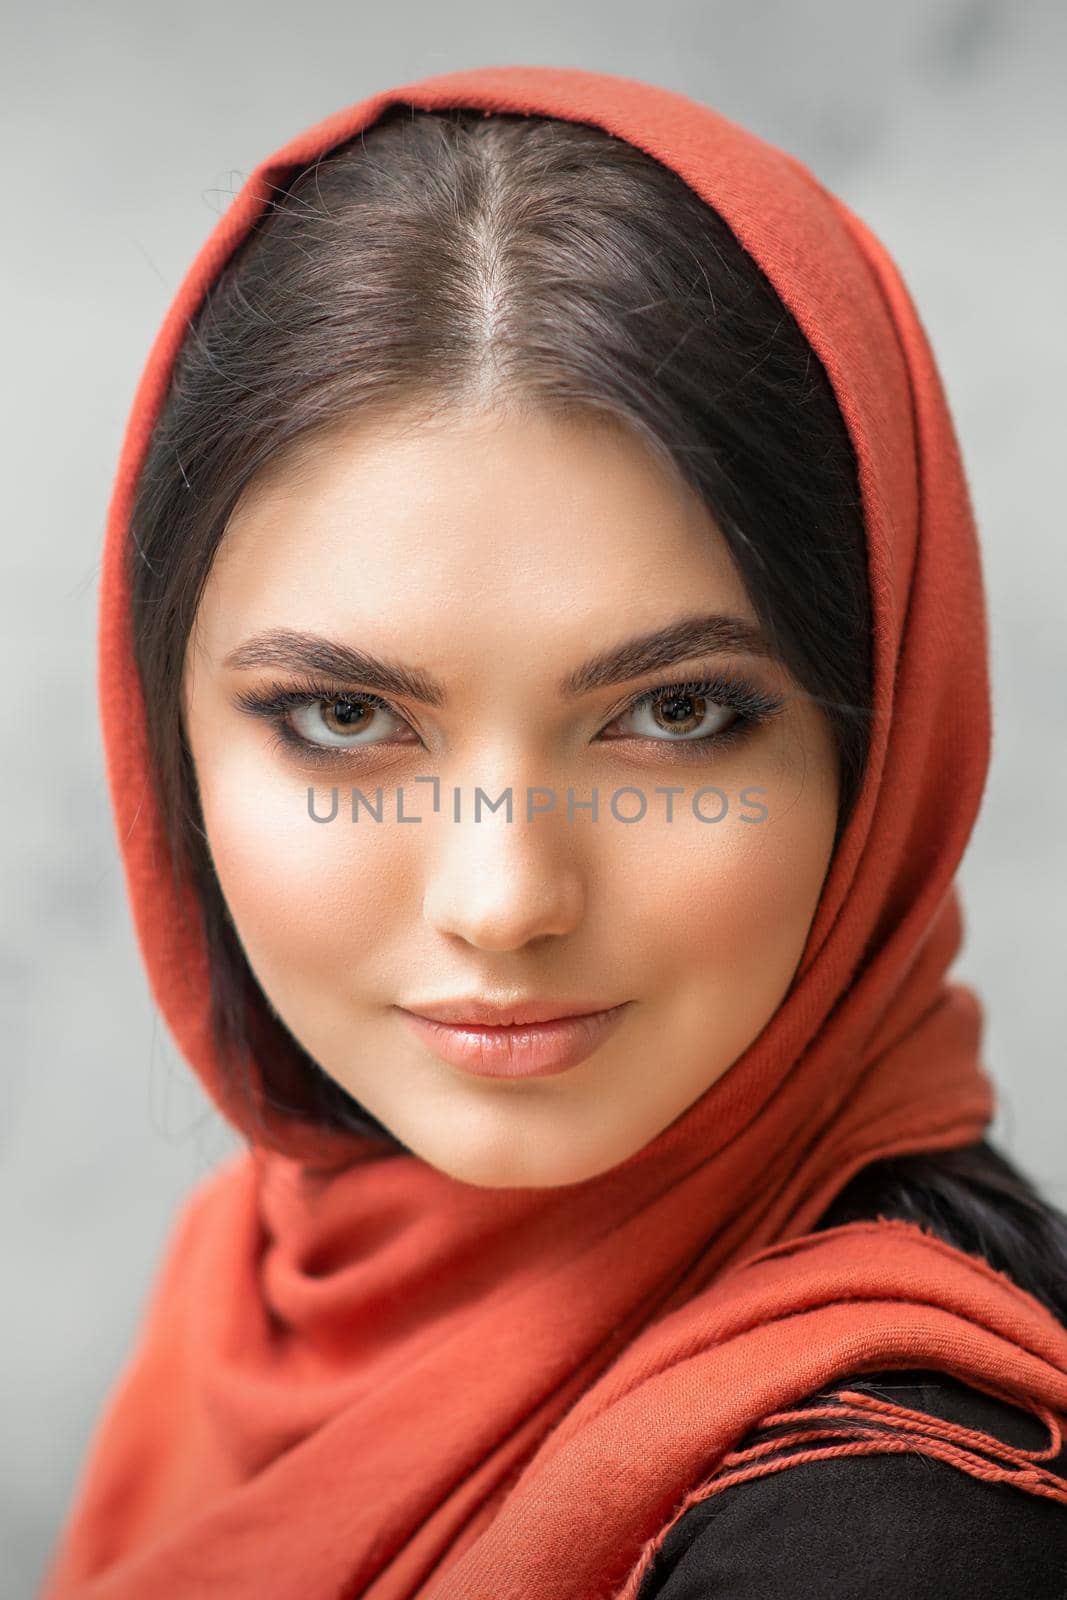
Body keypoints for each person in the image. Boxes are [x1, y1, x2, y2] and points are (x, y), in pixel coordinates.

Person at [41, 65, 1067, 1599]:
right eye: (343, 717)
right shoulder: (263, 1280)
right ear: (160, 733)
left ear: (884, 740)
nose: (504, 896)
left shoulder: (897, 1530)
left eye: (675, 717)